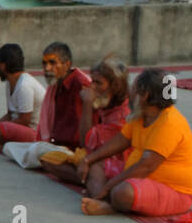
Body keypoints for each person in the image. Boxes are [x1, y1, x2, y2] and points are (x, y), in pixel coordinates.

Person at [79, 69, 192, 217]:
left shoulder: (169, 122)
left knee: (122, 192)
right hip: (140, 180)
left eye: (133, 89)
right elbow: (120, 141)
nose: (129, 94)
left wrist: (109, 186)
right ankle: (103, 199)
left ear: (144, 95)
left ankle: (110, 204)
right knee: (95, 166)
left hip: (175, 191)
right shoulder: (141, 115)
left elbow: (145, 167)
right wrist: (88, 159)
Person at [0, 41, 91, 167]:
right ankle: (50, 161)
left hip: (74, 149)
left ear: (67, 64)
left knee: (37, 151)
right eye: (44, 63)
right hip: (54, 145)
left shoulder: (80, 85)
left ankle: (55, 162)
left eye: (52, 63)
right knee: (9, 147)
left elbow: (84, 130)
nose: (47, 68)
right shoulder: (55, 86)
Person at [41, 57, 131, 185]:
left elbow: (85, 142)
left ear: (115, 86)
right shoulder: (106, 104)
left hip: (116, 163)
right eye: (92, 81)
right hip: (95, 157)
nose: (92, 87)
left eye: (98, 83)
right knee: (48, 159)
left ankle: (93, 179)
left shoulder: (122, 115)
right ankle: (89, 178)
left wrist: (87, 104)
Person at [0, 43, 46, 146]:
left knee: (0, 130)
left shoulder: (24, 85)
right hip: (18, 128)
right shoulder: (10, 82)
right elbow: (10, 114)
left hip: (37, 134)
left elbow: (24, 121)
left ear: (3, 66)